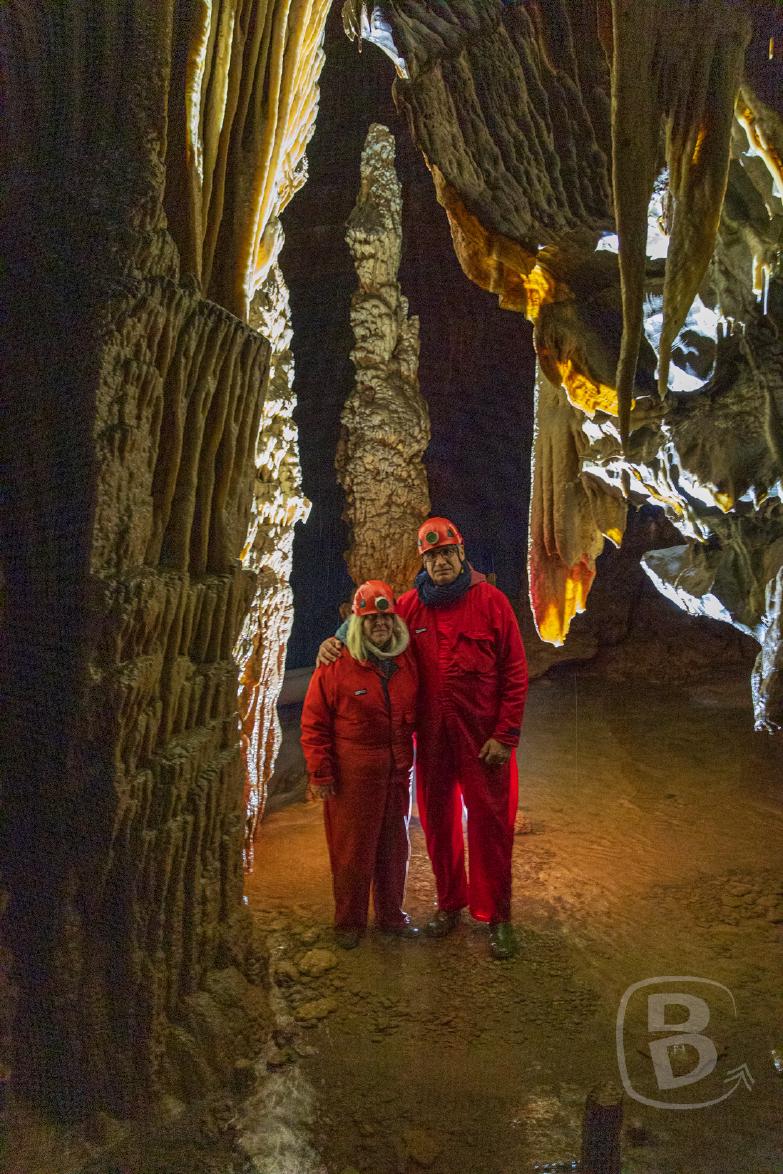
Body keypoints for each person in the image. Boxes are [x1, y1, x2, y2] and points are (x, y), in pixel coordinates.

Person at [318, 518, 528, 960]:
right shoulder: (411, 607)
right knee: (439, 823)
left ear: (461, 553)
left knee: (490, 824)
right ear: (424, 561)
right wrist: (332, 643)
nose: (440, 562)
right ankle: (451, 905)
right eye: (431, 556)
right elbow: (369, 625)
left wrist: (505, 734)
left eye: (447, 553)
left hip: (482, 738)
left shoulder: (492, 603)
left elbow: (514, 672)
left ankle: (498, 917)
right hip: (431, 740)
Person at [301, 579, 420, 950]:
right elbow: (314, 723)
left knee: (394, 847)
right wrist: (321, 773)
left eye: (385, 617)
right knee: (353, 851)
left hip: (398, 770)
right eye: (371, 619)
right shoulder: (337, 665)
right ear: (357, 624)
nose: (380, 624)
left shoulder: (405, 659)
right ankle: (349, 922)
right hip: (354, 775)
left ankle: (390, 916)